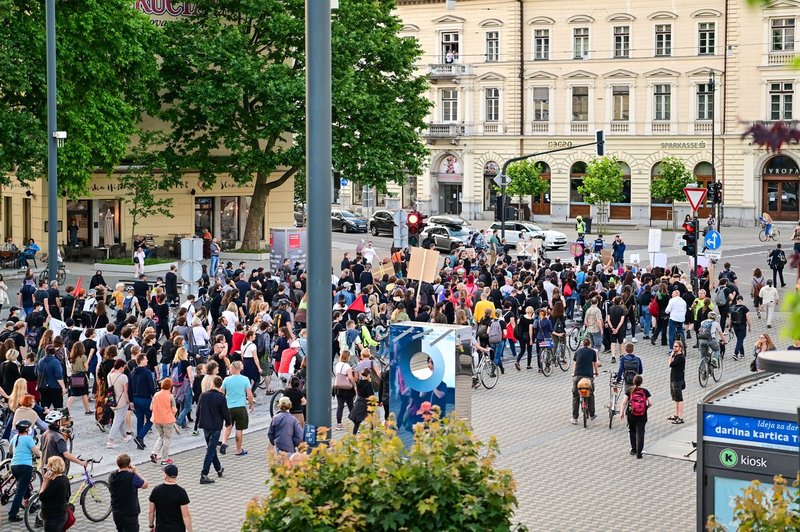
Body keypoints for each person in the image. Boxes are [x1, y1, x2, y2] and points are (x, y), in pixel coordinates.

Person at [196, 375, 230, 484]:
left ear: (212, 384)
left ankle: (219, 469)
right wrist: (228, 422)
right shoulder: (221, 397)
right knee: (210, 450)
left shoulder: (203, 395)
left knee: (211, 448)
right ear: (220, 386)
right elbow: (225, 412)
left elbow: (198, 411)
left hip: (205, 425)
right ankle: (204, 474)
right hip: (216, 426)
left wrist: (197, 423)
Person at [7, 419, 41, 522]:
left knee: (24, 486)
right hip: (25, 467)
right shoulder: (28, 439)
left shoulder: (15, 437)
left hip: (14, 466)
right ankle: (12, 514)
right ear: (26, 429)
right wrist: (37, 455)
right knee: (20, 491)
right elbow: (36, 453)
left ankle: (31, 506)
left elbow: (10, 450)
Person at [220, 360, 254, 456]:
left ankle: (224, 442)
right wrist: (251, 404)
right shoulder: (245, 379)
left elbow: (221, 393)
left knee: (228, 426)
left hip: (229, 407)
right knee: (239, 429)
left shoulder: (226, 380)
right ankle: (238, 450)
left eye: (230, 368)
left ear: (234, 369)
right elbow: (249, 394)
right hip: (240, 407)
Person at [109, 453, 149, 532]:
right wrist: (135, 472)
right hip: (130, 512)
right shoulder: (132, 477)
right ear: (129, 464)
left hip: (116, 511)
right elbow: (145, 485)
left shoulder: (112, 476)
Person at [148, 464, 193, 532]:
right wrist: (190, 530)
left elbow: (151, 512)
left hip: (161, 528)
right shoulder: (181, 492)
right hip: (177, 528)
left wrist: (151, 526)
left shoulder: (156, 490)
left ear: (166, 475)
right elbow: (186, 515)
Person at [620, 375, 652, 459]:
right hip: (642, 415)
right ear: (641, 382)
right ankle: (639, 453)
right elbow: (651, 402)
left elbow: (624, 402)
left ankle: (633, 449)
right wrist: (645, 408)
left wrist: (622, 412)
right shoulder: (645, 391)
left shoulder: (629, 390)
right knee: (641, 433)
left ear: (633, 382)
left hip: (631, 414)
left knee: (632, 431)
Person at [129, 354, 156, 450]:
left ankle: (140, 443)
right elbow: (151, 386)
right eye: (145, 359)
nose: (147, 360)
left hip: (135, 399)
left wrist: (131, 401)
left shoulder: (132, 373)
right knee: (151, 419)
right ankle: (140, 437)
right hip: (145, 399)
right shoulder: (147, 372)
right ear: (141, 361)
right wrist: (154, 396)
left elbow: (130, 388)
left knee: (140, 420)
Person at [38, 456, 71, 531]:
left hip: (53, 517)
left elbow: (42, 497)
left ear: (53, 468)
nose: (46, 467)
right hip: (62, 514)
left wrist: (45, 481)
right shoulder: (64, 478)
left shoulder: (55, 482)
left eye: (48, 465)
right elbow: (68, 495)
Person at [150, 378, 178, 466]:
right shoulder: (170, 396)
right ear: (170, 387)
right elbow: (174, 410)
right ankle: (165, 459)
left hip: (156, 419)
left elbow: (151, 407)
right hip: (167, 420)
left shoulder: (156, 395)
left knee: (161, 436)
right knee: (167, 438)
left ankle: (154, 453)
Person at [570, 338, 598, 425]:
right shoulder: (593, 352)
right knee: (591, 394)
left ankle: (575, 418)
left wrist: (574, 373)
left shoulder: (578, 352)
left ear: (582, 344)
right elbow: (595, 364)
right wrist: (596, 372)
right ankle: (592, 414)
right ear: (589, 344)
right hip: (588, 377)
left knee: (575, 396)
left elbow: (575, 364)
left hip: (578, 376)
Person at [106, 359, 131, 449]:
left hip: (112, 401)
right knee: (117, 421)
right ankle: (110, 440)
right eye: (124, 367)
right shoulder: (123, 377)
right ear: (121, 367)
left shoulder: (109, 376)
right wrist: (128, 401)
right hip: (121, 401)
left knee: (120, 420)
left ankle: (125, 436)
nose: (124, 369)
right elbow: (125, 391)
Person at [36, 344, 66, 409]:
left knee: (45, 407)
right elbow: (59, 376)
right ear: (54, 351)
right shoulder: (56, 362)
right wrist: (63, 387)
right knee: (58, 407)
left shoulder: (40, 361)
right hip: (55, 387)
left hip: (43, 387)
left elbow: (36, 373)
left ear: (46, 351)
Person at [333, 350, 356, 430]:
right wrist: (354, 385)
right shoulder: (347, 366)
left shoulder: (337, 364)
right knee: (351, 406)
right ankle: (355, 423)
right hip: (347, 389)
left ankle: (339, 424)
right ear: (347, 357)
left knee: (340, 406)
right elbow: (350, 377)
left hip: (338, 388)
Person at [728, 295, 752, 361]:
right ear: (742, 300)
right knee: (740, 339)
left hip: (735, 326)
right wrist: (750, 326)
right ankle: (735, 353)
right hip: (742, 326)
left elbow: (730, 319)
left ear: (736, 300)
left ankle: (742, 353)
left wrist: (729, 327)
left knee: (739, 339)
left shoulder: (732, 308)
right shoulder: (744, 308)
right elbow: (748, 318)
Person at [668, 342, 686, 425]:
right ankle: (676, 414)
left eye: (676, 346)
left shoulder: (680, 357)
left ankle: (681, 417)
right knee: (676, 398)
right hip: (673, 379)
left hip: (677, 380)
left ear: (680, 348)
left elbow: (670, 364)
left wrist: (671, 356)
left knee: (679, 399)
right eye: (674, 346)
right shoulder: (677, 356)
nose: (674, 348)